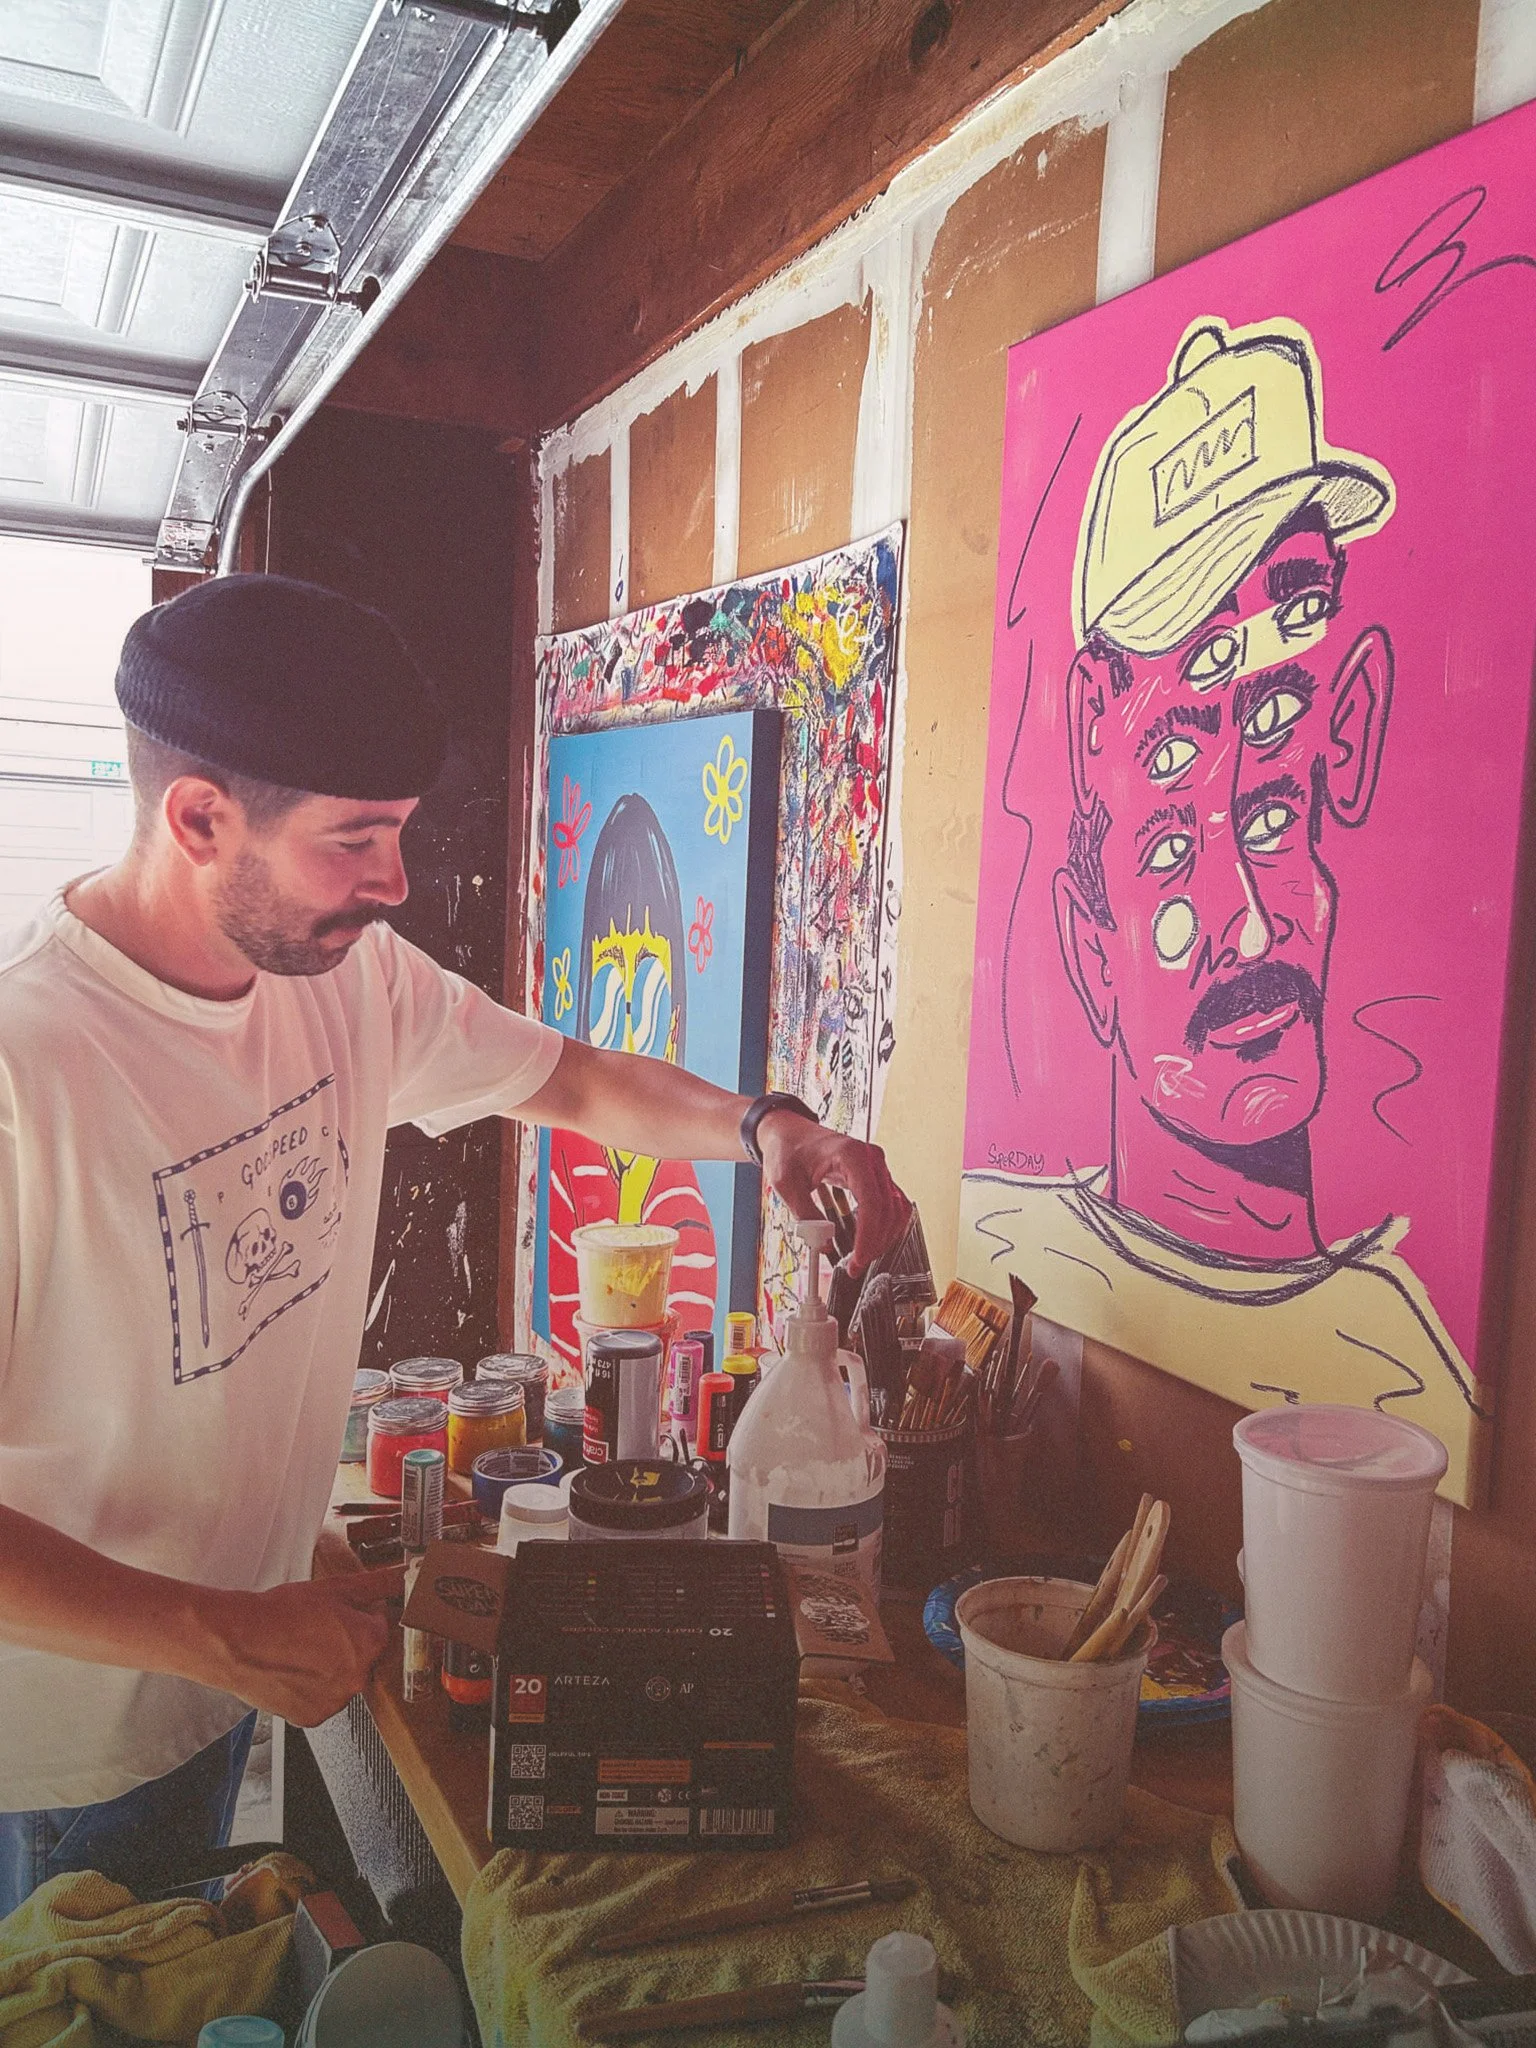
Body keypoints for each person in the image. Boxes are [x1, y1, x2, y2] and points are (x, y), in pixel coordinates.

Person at [0, 575, 907, 1914]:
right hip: (57, 1754)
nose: (397, 883)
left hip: (219, 1682)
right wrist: (225, 1629)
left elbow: (574, 1081)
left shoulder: (347, 975)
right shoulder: (28, 1069)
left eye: (404, 835)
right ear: (197, 817)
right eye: (354, 841)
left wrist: (772, 1124)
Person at [963, 318, 1486, 1489]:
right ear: (1088, 951)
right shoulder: (995, 1260)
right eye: (1169, 853)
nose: (1250, 925)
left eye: (1272, 826)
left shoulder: (1417, 1380)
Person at [545, 794, 718, 1375]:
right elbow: (570, 1343)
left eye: (645, 981)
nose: (625, 1016)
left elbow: (677, 1384)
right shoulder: (569, 1152)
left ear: (675, 1018)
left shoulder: (685, 1210)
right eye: (607, 978)